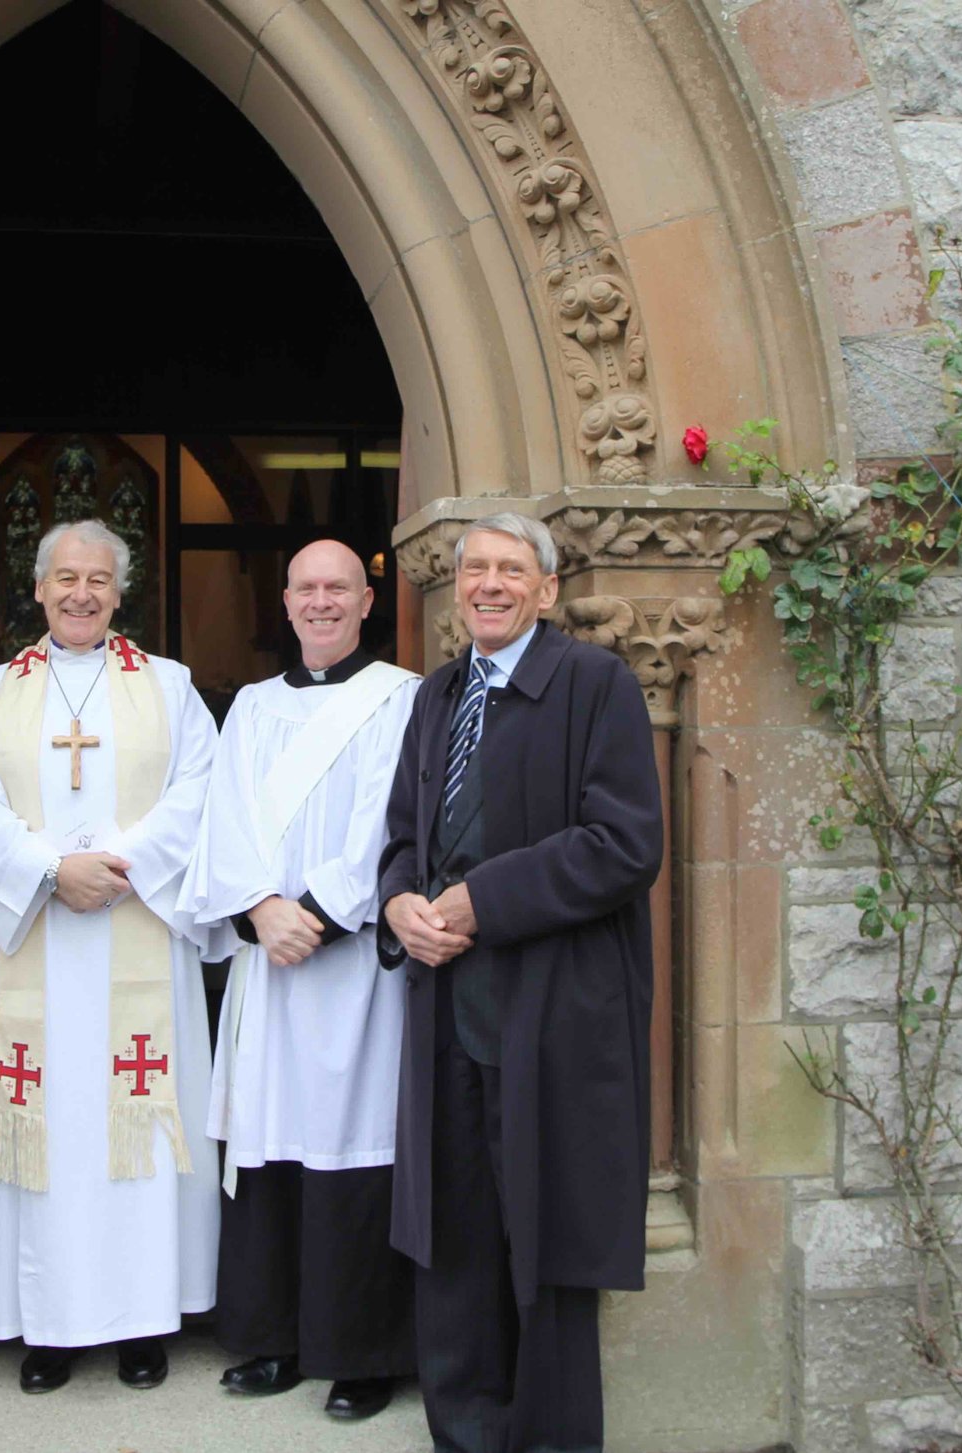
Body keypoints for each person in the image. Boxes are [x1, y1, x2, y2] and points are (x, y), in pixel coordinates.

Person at [376, 513, 661, 1453]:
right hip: (448, 1013)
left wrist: (476, 901)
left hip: (552, 1015)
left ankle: (549, 1439)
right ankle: (463, 1432)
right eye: (474, 570)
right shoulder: (437, 696)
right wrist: (400, 907)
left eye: (511, 570)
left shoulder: (594, 684)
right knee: (454, 1237)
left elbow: (624, 845)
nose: (488, 584)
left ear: (546, 588)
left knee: (545, 1243)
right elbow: (405, 840)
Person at [0, 519, 219, 1393]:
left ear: (118, 590)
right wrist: (48, 870)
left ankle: (142, 1321)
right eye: (65, 578)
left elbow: (198, 791)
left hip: (137, 927)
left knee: (132, 1126)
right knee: (52, 1134)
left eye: (98, 579)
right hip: (35, 945)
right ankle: (48, 1326)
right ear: (36, 587)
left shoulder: (171, 687)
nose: (81, 593)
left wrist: (117, 867)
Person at [179, 539, 419, 1421]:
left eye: (338, 589)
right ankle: (274, 1338)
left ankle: (361, 1351)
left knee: (352, 1147)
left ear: (366, 601)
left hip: (350, 967)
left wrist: (314, 909)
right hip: (267, 967)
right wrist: (257, 909)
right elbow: (225, 817)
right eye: (307, 589)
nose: (321, 603)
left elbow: (393, 819)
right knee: (271, 1145)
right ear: (284, 602)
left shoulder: (400, 698)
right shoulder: (247, 705)